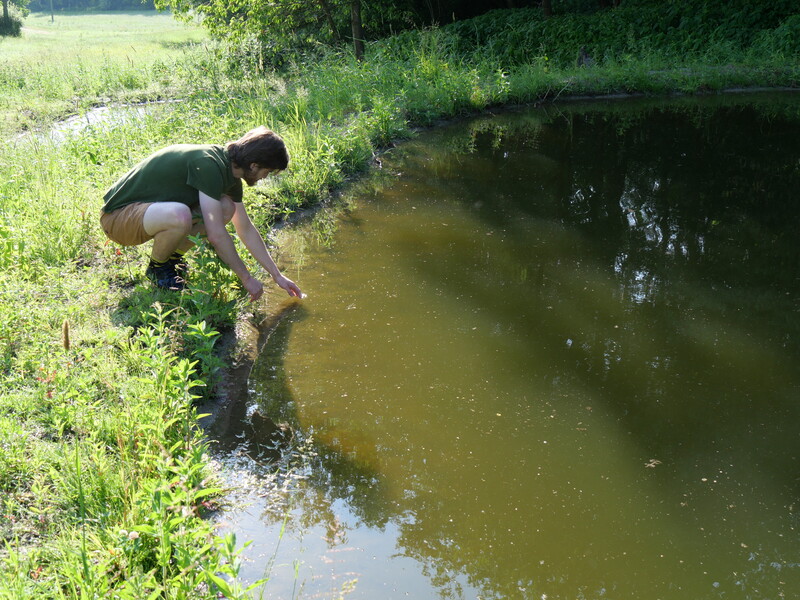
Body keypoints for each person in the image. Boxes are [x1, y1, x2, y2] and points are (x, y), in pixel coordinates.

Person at [100, 126, 302, 302]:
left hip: (146, 215)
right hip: (118, 219)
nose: (265, 177)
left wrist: (277, 275)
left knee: (226, 207)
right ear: (254, 165)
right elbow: (216, 235)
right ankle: (158, 269)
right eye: (267, 171)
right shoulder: (209, 164)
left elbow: (245, 228)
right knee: (180, 215)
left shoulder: (230, 173)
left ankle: (172, 261)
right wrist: (246, 278)